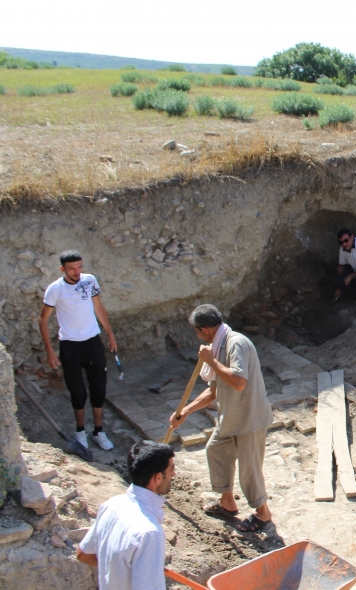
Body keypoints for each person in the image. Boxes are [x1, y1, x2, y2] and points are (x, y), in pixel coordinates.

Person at [168, 304, 274, 533]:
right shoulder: (218, 346)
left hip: (249, 419)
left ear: (205, 329)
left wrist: (211, 361)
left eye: (197, 331)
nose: (198, 336)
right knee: (216, 450)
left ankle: (263, 514)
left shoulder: (236, 344)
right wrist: (185, 411)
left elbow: (239, 382)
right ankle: (227, 503)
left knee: (249, 471)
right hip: (230, 418)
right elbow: (213, 390)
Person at [39, 250, 117, 451]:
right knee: (77, 390)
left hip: (93, 342)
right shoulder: (55, 289)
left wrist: (110, 334)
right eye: (72, 268)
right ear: (62, 269)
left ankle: (98, 431)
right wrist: (50, 351)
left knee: (98, 387)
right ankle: (80, 431)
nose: (77, 272)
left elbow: (98, 307)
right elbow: (43, 319)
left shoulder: (89, 281)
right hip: (70, 345)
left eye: (79, 267)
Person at [76, 441, 176, 590]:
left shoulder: (112, 505)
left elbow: (83, 554)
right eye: (171, 469)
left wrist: (118, 570)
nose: (174, 474)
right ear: (158, 478)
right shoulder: (149, 533)